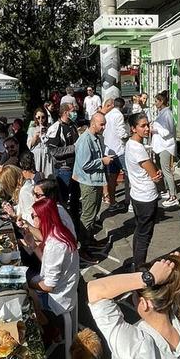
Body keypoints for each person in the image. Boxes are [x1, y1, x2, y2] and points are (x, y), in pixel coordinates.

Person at [23, 198, 80, 318]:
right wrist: (33, 245)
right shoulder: (59, 232)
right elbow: (49, 263)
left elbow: (48, 286)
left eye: (34, 216)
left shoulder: (55, 245)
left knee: (19, 290)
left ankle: (48, 327)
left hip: (56, 300)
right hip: (64, 289)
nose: (32, 219)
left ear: (43, 217)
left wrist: (25, 283)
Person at [72, 112, 112, 263]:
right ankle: (83, 248)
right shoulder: (85, 140)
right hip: (88, 182)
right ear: (93, 123)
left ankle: (89, 240)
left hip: (95, 181)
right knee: (88, 216)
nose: (104, 127)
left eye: (104, 124)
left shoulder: (94, 138)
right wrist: (103, 161)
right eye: (102, 124)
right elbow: (85, 164)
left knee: (93, 213)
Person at [126, 113, 163, 270]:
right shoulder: (138, 148)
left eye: (148, 125)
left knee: (140, 230)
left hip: (137, 194)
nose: (147, 128)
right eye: (143, 126)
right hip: (146, 197)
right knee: (144, 235)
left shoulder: (130, 144)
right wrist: (158, 174)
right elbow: (155, 176)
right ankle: (140, 268)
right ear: (133, 128)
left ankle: (136, 261)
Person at [46, 102, 81, 222]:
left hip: (76, 167)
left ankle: (76, 223)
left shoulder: (72, 125)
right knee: (63, 199)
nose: (75, 112)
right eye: (72, 110)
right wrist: (73, 148)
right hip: (63, 169)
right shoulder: (55, 128)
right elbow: (53, 151)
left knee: (76, 198)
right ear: (66, 112)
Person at [151, 91, 179, 208]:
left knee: (166, 170)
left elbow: (168, 131)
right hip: (160, 146)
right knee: (162, 169)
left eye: (156, 101)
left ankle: (173, 196)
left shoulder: (167, 114)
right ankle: (167, 191)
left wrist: (155, 129)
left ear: (161, 102)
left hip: (166, 146)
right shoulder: (162, 113)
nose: (155, 103)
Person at [101, 98, 128, 211]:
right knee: (128, 175)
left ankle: (112, 202)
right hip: (119, 150)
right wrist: (128, 135)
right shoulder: (118, 115)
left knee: (112, 178)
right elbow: (121, 132)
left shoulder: (107, 115)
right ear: (122, 106)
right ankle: (129, 200)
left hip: (109, 150)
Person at [27, 108, 53, 177]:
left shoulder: (50, 127)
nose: (40, 120)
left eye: (43, 117)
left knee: (48, 175)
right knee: (38, 175)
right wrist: (35, 136)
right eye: (38, 117)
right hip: (37, 155)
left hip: (47, 154)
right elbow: (29, 145)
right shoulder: (32, 128)